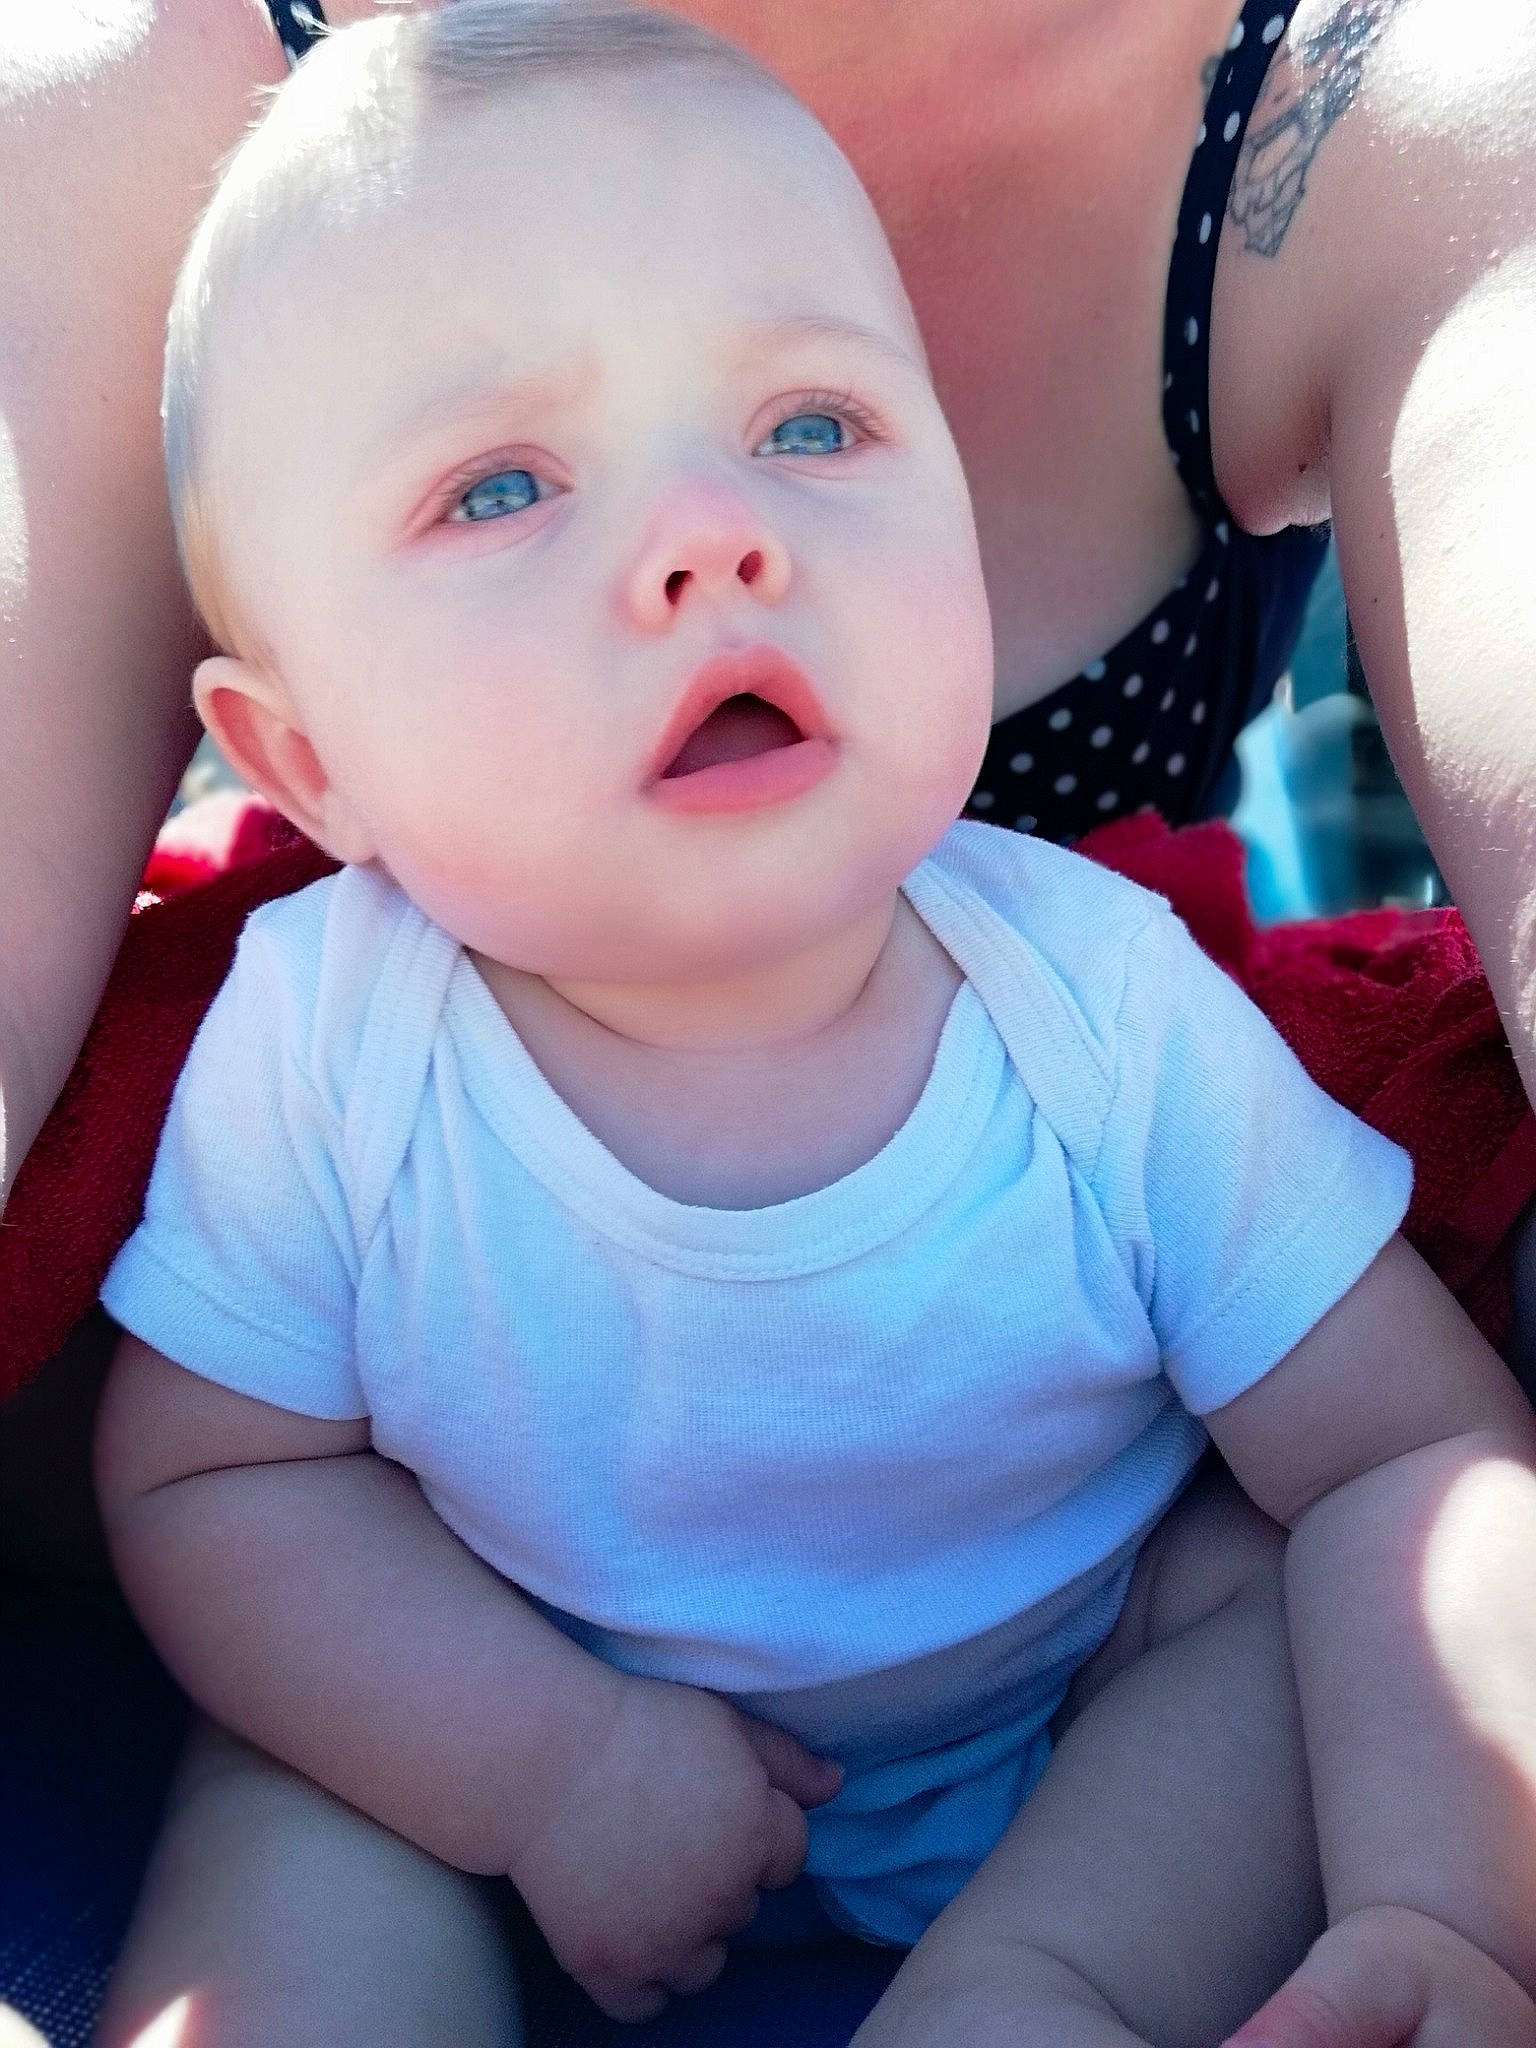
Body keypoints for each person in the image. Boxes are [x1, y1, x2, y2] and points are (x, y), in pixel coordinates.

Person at [85, 7, 1536, 2045]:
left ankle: (1031, 1996)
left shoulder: (1102, 1016)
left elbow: (1413, 1449)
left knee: (1260, 1621)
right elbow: (213, 1484)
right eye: (501, 487)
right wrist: (539, 1760)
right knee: (297, 1809)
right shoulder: (325, 1050)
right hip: (511, 1706)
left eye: (812, 429)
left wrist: (1446, 1903)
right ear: (302, 757)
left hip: (1071, 1703)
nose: (715, 534)